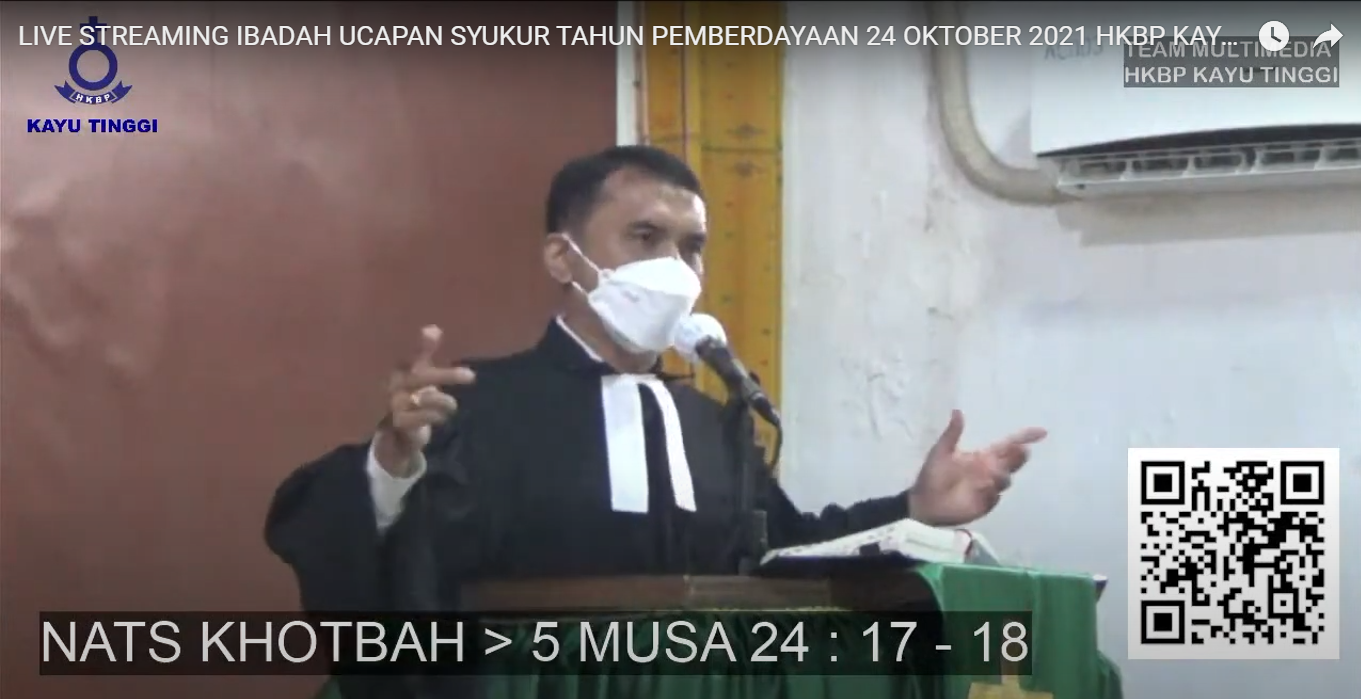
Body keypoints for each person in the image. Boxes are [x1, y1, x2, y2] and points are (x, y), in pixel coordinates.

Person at [264, 145, 1046, 699]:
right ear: (562, 258)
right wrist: (391, 462)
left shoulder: (712, 420)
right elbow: (374, 552)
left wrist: (914, 508)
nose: (675, 267)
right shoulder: (477, 400)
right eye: (644, 237)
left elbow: (783, 551)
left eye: (691, 246)